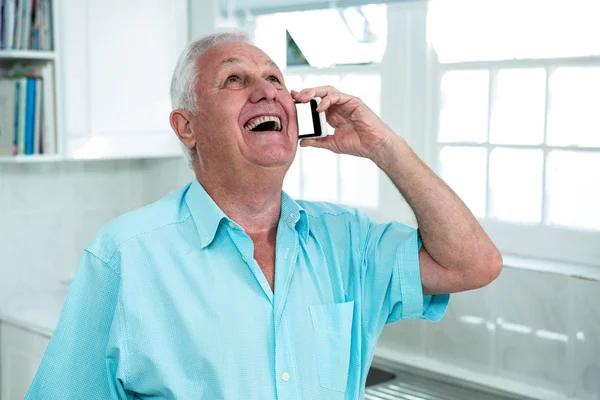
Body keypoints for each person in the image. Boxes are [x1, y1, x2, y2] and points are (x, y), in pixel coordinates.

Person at [26, 29, 502, 400]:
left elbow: (473, 264)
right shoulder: (125, 257)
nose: (266, 91)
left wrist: (383, 147)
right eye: (235, 79)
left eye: (275, 79)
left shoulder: (347, 239)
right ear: (186, 127)